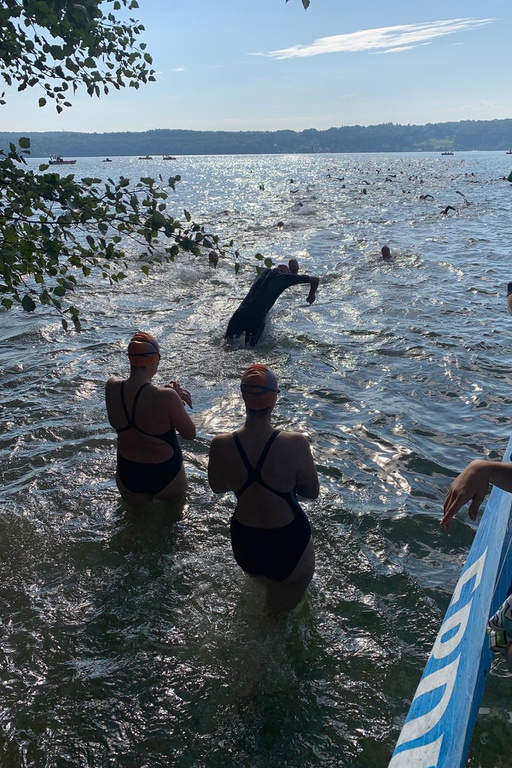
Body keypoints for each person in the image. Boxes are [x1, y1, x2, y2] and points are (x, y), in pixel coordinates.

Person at [208, 365, 319, 614]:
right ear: (274, 398)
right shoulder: (296, 443)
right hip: (288, 540)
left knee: (260, 588)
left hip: (246, 543)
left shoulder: (220, 444)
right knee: (278, 620)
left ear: (243, 397)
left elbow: (217, 488)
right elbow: (312, 492)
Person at [105, 331, 196, 509]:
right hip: (166, 473)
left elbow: (138, 403)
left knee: (132, 524)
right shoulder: (167, 397)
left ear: (130, 360)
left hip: (128, 473)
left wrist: (168, 395)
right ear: (154, 360)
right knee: (172, 528)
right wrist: (176, 398)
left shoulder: (112, 387)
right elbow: (189, 434)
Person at [225, 258, 319, 346]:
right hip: (256, 320)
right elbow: (315, 279)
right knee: (250, 351)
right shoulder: (284, 278)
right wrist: (311, 294)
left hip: (240, 314)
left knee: (227, 345)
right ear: (287, 273)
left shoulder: (263, 272)